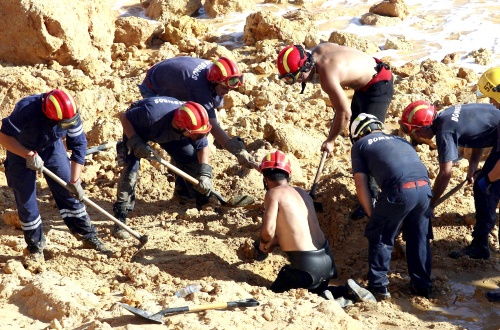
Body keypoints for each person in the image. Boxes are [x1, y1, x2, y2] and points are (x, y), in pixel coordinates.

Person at [276, 43, 394, 220]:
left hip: (378, 84)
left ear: (307, 65)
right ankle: (369, 188)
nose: (298, 81)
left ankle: (374, 198)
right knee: (357, 137)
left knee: (368, 143)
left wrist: (330, 140)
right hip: (366, 83)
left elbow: (344, 112)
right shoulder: (318, 51)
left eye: (297, 77)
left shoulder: (326, 75)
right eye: (291, 79)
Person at [0, 89, 110, 266]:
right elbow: (4, 137)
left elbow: (79, 145)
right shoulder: (26, 109)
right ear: (49, 116)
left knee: (70, 193)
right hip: (20, 150)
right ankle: (35, 247)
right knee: (27, 202)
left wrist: (75, 181)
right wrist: (27, 154)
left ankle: (87, 235)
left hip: (51, 148)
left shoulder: (69, 112)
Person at [253, 150, 376, 306]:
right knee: (313, 290)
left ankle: (326, 302)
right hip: (327, 264)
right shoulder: (302, 193)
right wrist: (272, 244)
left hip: (306, 268)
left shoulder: (273, 194)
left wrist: (264, 243)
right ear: (288, 175)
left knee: (277, 293)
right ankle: (344, 292)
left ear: (265, 178)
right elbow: (295, 233)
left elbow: (268, 232)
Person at [399, 94, 500, 260]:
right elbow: (479, 134)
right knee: (484, 179)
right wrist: (473, 164)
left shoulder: (444, 132)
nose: (418, 137)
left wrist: (430, 204)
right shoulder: (447, 115)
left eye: (415, 131)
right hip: (497, 133)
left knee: (485, 187)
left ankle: (480, 246)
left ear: (425, 127)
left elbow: (446, 173)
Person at [350, 113, 433, 299]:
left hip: (399, 190)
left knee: (380, 236)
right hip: (424, 189)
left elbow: (360, 185)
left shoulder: (360, 145)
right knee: (419, 236)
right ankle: (422, 286)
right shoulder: (401, 140)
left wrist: (373, 215)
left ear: (358, 134)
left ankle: (378, 287)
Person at [112, 97, 213, 239]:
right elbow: (124, 117)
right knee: (131, 171)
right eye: (195, 135)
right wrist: (135, 142)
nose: (197, 137)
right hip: (140, 129)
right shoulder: (151, 115)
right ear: (180, 125)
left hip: (170, 133)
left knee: (190, 158)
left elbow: (203, 146)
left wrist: (205, 173)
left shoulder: (193, 122)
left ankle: (186, 195)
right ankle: (120, 218)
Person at [137, 56, 258, 170]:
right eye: (225, 88)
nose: (227, 92)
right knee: (180, 128)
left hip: (169, 75)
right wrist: (237, 151)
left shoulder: (215, 73)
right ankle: (179, 159)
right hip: (153, 87)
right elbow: (212, 125)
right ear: (214, 82)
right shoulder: (199, 88)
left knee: (202, 119)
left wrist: (221, 138)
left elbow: (215, 105)